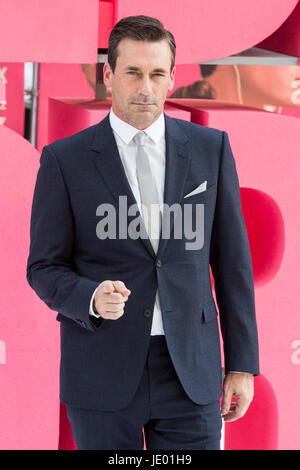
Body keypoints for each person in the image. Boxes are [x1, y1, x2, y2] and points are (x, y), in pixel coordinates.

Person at [26, 15, 259, 450]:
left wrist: (242, 364)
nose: (145, 88)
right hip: (100, 370)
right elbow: (43, 267)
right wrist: (91, 297)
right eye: (133, 72)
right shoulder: (64, 160)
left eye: (156, 74)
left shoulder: (212, 149)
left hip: (190, 370)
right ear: (109, 75)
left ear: (172, 78)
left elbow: (233, 266)